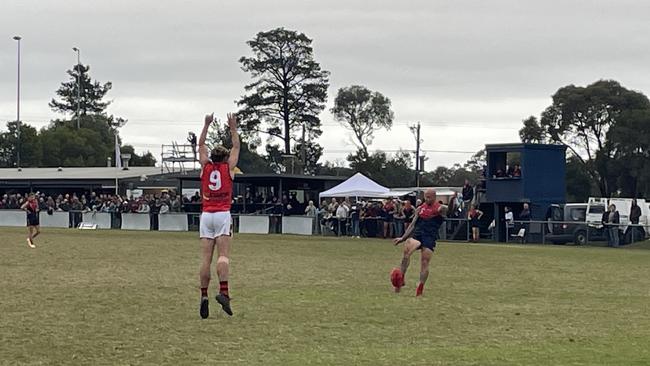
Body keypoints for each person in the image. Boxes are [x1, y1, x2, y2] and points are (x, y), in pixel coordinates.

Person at [197, 112, 240, 319]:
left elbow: (201, 145)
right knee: (223, 256)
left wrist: (206, 125)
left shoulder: (206, 167)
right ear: (224, 158)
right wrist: (233, 127)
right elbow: (236, 147)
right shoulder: (228, 168)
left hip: (206, 214)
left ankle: (204, 296)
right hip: (222, 213)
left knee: (206, 258)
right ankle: (224, 291)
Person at [391, 189, 448, 297]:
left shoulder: (439, 208)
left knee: (425, 262)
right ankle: (400, 280)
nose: (426, 199)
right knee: (406, 253)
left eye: (429, 197)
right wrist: (402, 238)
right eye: (425, 197)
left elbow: (446, 209)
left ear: (434, 197)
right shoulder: (420, 209)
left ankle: (420, 286)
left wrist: (445, 207)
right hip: (418, 234)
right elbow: (412, 224)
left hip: (430, 236)